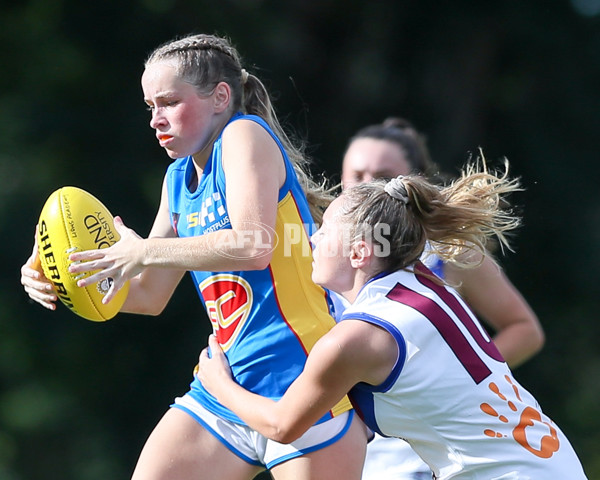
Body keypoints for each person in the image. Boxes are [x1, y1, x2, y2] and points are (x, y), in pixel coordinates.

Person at [20, 33, 368, 480]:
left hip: (303, 379)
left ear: (221, 96)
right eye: (150, 106)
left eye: (168, 102)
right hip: (223, 383)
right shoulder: (176, 179)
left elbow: (253, 245)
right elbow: (148, 295)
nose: (155, 120)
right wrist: (64, 277)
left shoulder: (243, 135)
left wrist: (143, 250)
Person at [197, 161, 588, 479]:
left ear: (361, 252)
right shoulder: (422, 281)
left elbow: (282, 426)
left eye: (327, 229)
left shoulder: (358, 338)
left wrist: (220, 384)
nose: (313, 239)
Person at [340, 117, 546, 479]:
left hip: (419, 453)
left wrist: (459, 385)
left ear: (410, 184)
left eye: (383, 175)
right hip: (347, 446)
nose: (368, 185)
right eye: (357, 175)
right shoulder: (319, 252)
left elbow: (524, 329)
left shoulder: (447, 253)